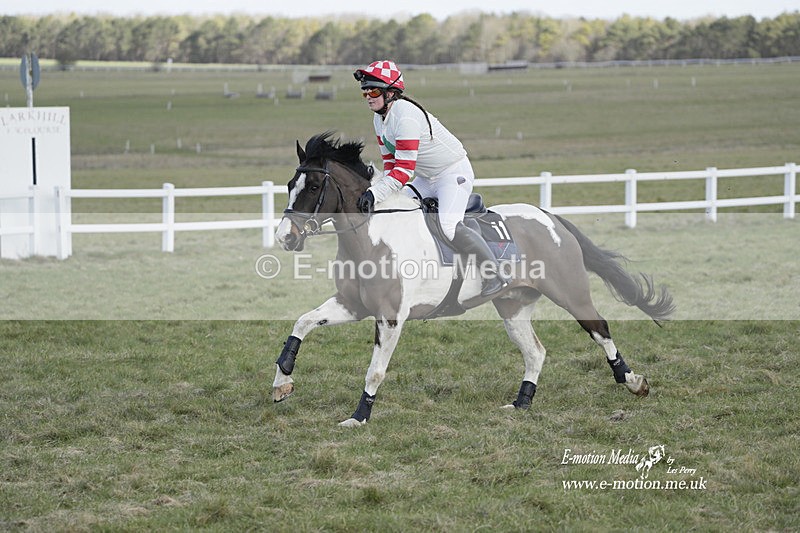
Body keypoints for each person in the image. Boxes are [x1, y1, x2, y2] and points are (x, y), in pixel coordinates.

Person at [353, 60, 507, 297]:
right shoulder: (379, 118)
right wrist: (378, 192)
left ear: (391, 93)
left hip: (452, 174)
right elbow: (391, 166)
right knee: (392, 209)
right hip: (426, 177)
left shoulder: (405, 117)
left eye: (373, 91)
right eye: (365, 92)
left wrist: (374, 193)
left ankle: (494, 274)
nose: (368, 97)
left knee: (448, 226)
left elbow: (403, 172)